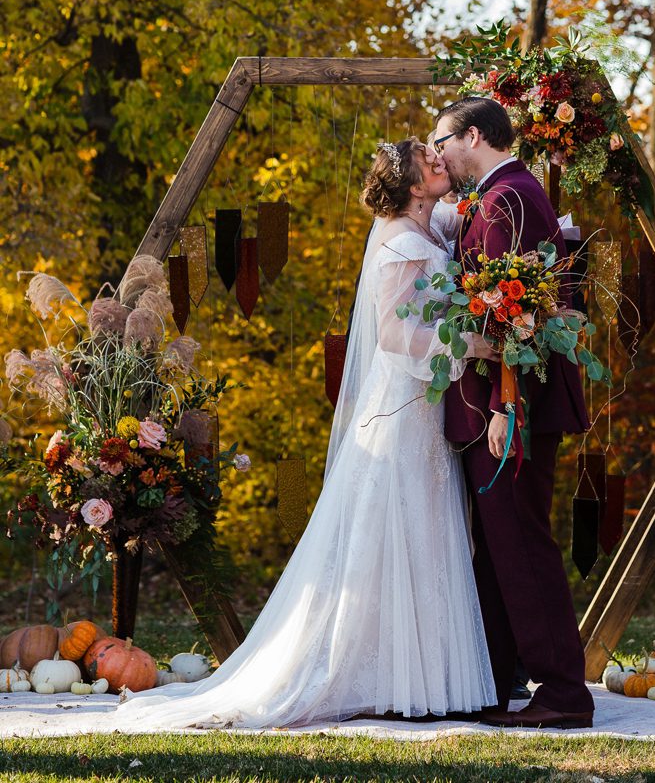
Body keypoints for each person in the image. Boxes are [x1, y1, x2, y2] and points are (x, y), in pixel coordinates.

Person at [111, 138, 498, 731]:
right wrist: (474, 344)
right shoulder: (398, 240)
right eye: (428, 159)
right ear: (412, 185)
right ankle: (373, 673)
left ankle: (413, 677)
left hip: (425, 410)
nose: (439, 161)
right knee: (393, 531)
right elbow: (396, 337)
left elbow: (468, 217)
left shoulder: (426, 228)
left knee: (421, 531)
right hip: (400, 410)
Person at [433, 96, 594, 729]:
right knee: (498, 547)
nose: (438, 153)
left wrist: (505, 405)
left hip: (510, 409)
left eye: (442, 140)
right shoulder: (506, 195)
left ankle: (561, 694)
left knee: (523, 544)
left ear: (472, 136)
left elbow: (513, 315)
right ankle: (495, 683)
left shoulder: (509, 200)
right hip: (500, 405)